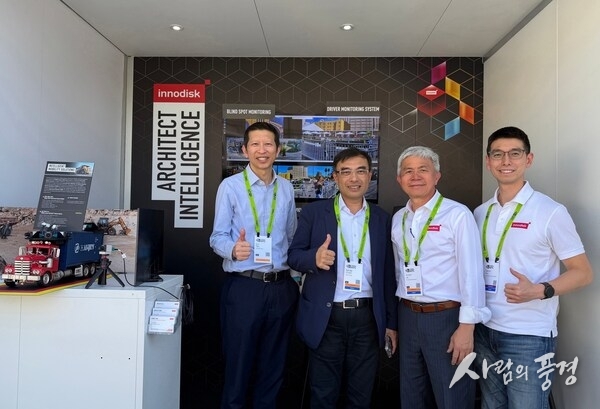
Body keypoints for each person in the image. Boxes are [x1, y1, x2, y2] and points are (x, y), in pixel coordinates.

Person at [473, 126, 593, 408]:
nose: (506, 161)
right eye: (498, 154)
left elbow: (583, 272)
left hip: (528, 337)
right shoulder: (480, 213)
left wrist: (540, 290)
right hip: (485, 330)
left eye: (515, 153)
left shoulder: (550, 211)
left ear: (528, 159)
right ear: (488, 161)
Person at [288, 147, 398, 409]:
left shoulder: (382, 219)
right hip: (327, 318)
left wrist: (391, 323)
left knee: (361, 395)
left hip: (367, 319)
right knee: (323, 394)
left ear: (370, 175)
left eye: (361, 171)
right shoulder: (315, 213)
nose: (354, 178)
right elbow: (293, 256)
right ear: (335, 177)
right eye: (346, 172)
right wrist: (313, 259)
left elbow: (388, 276)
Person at [392, 145, 490, 409]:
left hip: (447, 318)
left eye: (423, 170)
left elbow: (472, 272)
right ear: (399, 179)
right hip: (407, 315)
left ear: (437, 176)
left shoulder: (457, 214)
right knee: (411, 395)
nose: (415, 176)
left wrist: (467, 327)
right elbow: (399, 269)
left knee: (452, 397)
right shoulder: (399, 218)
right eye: (408, 171)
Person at [209, 121, 299, 409]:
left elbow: (291, 237)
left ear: (278, 149)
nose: (263, 150)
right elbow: (217, 237)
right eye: (256, 144)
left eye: (268, 144)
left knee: (273, 370)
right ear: (245, 150)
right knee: (238, 368)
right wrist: (233, 249)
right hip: (245, 287)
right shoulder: (231, 186)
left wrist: (296, 278)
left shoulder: (286, 188)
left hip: (281, 288)